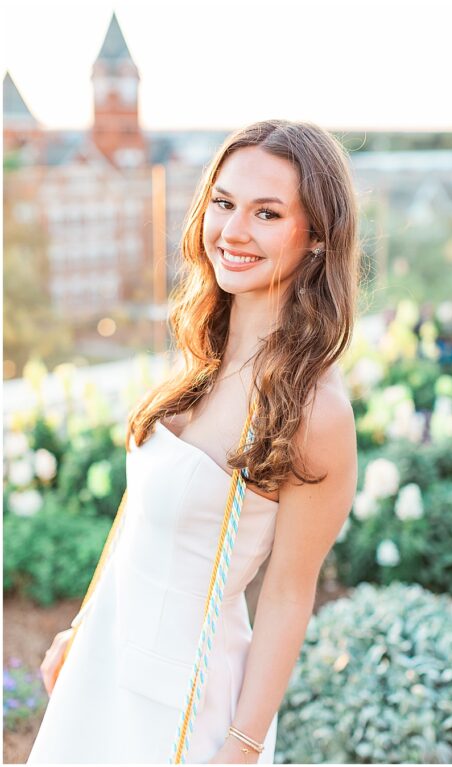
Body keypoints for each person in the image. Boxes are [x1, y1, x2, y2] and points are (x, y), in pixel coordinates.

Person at [32, 120, 360, 764]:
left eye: (267, 213)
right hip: (104, 660)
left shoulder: (313, 408)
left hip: (183, 701)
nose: (234, 232)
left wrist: (240, 747)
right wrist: (81, 625)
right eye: (223, 202)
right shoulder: (203, 350)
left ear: (317, 236)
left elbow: (290, 592)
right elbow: (141, 514)